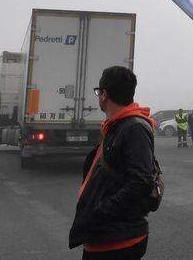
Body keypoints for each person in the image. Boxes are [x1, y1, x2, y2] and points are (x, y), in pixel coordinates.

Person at [69, 66, 157, 259]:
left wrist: (100, 211)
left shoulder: (134, 128)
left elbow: (141, 181)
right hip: (105, 238)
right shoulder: (117, 125)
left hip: (118, 241)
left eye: (98, 92)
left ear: (104, 95)